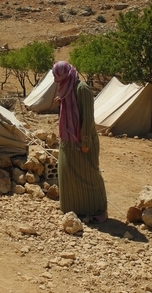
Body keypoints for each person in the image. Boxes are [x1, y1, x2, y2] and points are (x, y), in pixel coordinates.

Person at [52, 61, 107, 223]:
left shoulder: (82, 89)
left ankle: (97, 210)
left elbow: (88, 118)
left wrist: (85, 142)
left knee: (89, 175)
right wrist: (60, 103)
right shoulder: (65, 88)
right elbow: (69, 113)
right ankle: (73, 209)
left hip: (82, 141)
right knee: (67, 173)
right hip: (67, 140)